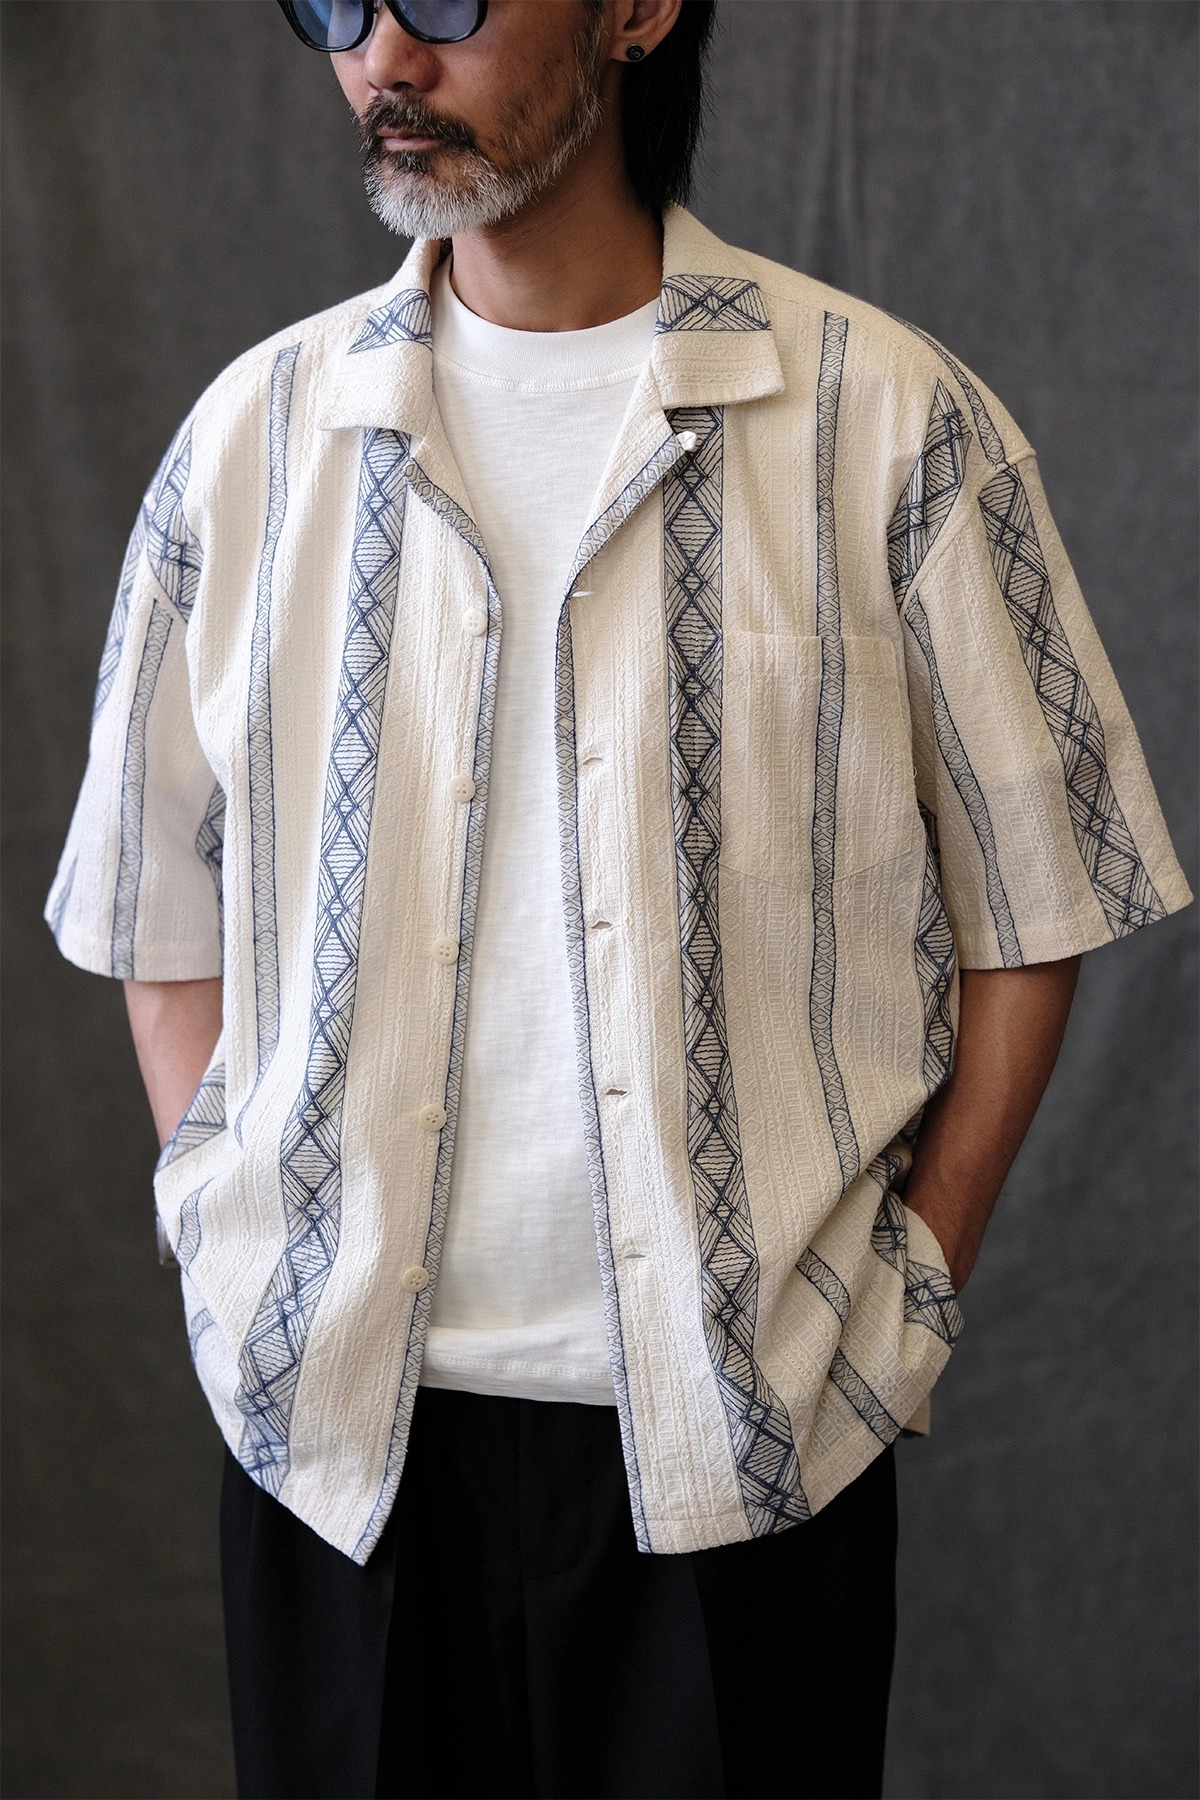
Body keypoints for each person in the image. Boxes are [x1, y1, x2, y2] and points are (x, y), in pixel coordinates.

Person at [44, 1, 1191, 1795]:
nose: (381, 59)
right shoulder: (252, 439)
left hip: (751, 1449)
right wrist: (236, 1251)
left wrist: (905, 1290)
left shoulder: (891, 421)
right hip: (339, 1454)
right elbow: (150, 915)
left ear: (641, 7)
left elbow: (1041, 901)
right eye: (334, 0)